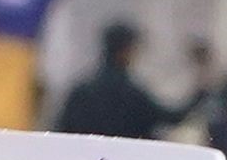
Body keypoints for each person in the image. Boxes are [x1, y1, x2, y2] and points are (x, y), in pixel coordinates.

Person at [51, 19, 194, 138]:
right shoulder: (132, 94)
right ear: (125, 51)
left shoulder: (80, 92)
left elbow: (61, 131)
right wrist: (201, 89)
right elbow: (172, 117)